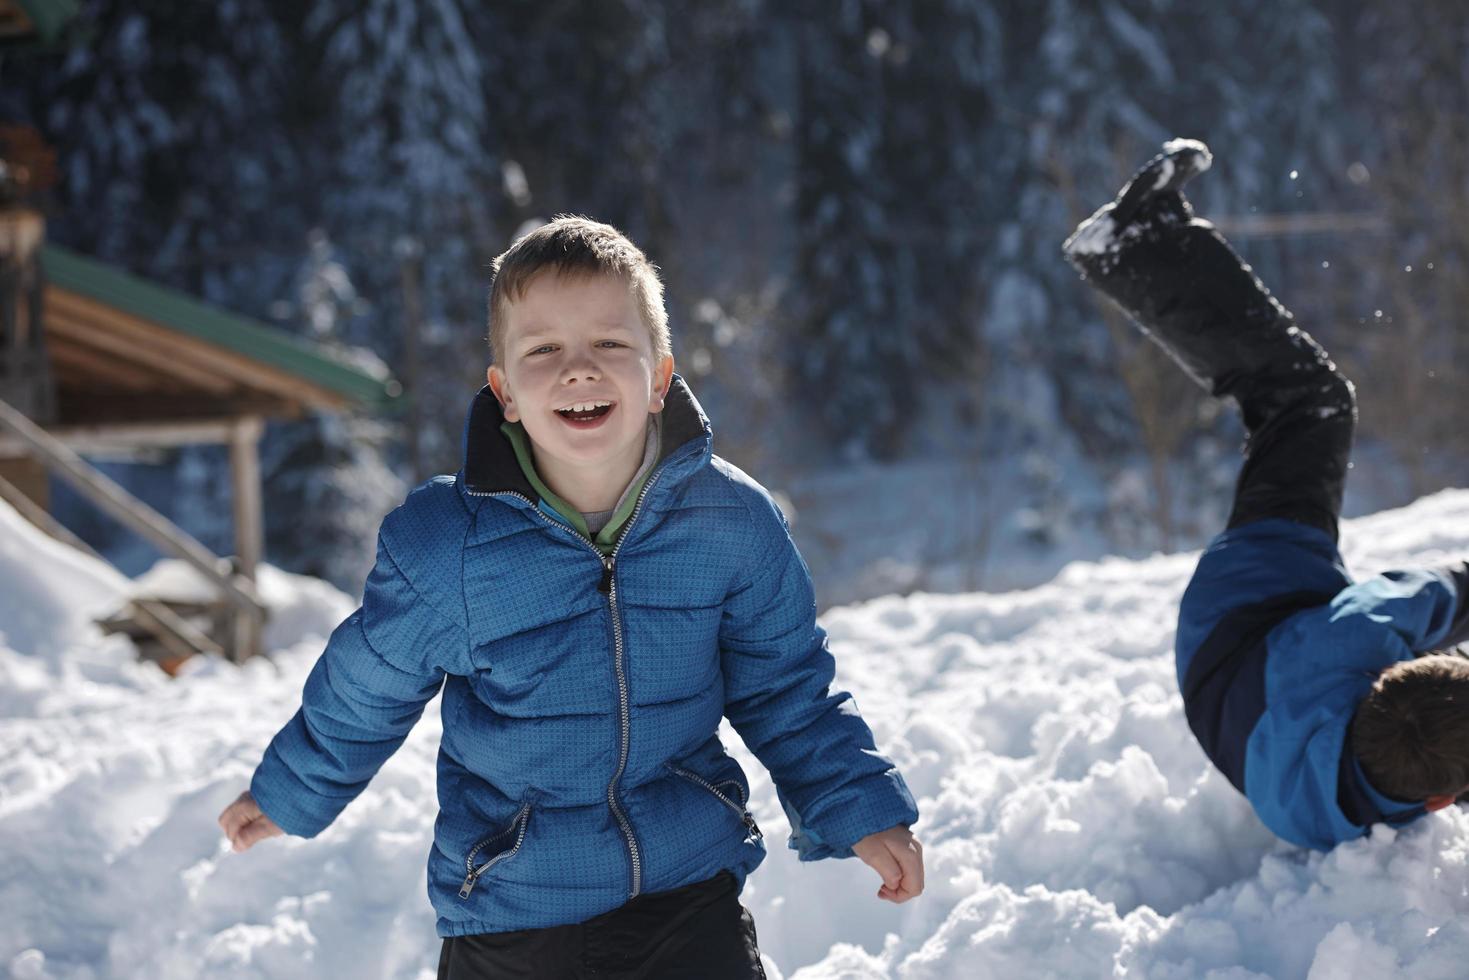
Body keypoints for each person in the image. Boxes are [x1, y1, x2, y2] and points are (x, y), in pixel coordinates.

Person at [218, 216, 923, 978]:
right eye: (543, 350)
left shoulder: (730, 523)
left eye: (610, 346)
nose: (577, 370)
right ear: (505, 392)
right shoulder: (446, 544)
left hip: (687, 892)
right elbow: (366, 686)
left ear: (658, 379)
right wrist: (291, 791)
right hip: (514, 908)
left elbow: (786, 686)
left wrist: (859, 806)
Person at [1062, 139, 1469, 851]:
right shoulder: (1380, 801)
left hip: (1245, 611)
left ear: (1379, 677)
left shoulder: (1348, 642)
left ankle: (1136, 245)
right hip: (1241, 707)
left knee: (1306, 401)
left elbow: (1421, 594)